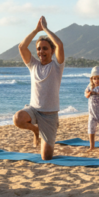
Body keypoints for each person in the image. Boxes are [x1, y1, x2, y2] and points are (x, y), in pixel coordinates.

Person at [13, 17, 65, 160]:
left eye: (45, 48)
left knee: (46, 157)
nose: (41, 52)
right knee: (18, 118)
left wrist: (46, 29)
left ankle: (43, 133)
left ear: (52, 51)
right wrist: (36, 30)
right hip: (34, 110)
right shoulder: (33, 65)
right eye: (38, 49)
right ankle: (36, 130)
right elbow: (21, 47)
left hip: (50, 115)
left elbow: (60, 44)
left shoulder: (57, 66)